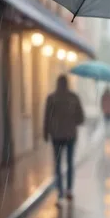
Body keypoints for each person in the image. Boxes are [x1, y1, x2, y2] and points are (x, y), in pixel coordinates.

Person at [43, 74, 85, 206]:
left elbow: (47, 118)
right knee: (70, 162)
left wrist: (46, 132)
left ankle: (60, 192)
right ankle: (69, 190)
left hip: (56, 136)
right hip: (70, 135)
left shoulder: (51, 98)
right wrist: (72, 121)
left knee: (57, 164)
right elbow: (81, 118)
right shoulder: (73, 97)